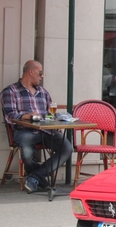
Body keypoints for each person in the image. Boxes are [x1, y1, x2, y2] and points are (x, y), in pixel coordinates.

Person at [1, 60, 73, 193]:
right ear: (31, 72)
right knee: (27, 154)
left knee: (67, 148)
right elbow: (9, 116)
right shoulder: (10, 91)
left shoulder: (43, 92)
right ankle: (40, 180)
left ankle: (35, 177)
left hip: (45, 130)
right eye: (40, 73)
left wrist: (56, 122)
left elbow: (49, 114)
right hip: (24, 131)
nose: (42, 76)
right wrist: (27, 116)